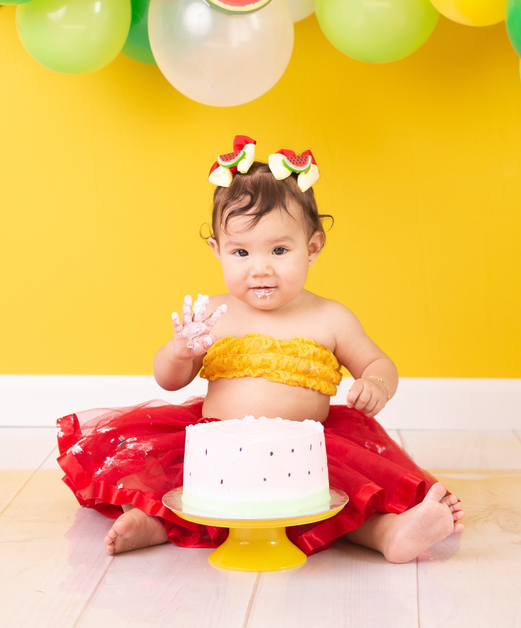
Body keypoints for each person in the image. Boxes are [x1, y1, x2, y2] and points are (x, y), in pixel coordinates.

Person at [56, 137, 464, 563]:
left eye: (280, 250)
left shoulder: (331, 318)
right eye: (241, 251)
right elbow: (168, 380)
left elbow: (378, 362)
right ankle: (150, 521)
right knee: (167, 479)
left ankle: (390, 534)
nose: (261, 267)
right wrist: (180, 352)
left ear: (313, 248)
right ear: (217, 251)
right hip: (217, 443)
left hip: (306, 451)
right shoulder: (213, 313)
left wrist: (376, 383)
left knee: (341, 500)